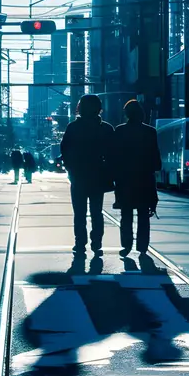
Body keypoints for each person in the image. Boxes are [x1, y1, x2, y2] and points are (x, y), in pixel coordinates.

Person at [60, 94, 115, 260]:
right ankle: (96, 242)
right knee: (97, 212)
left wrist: (71, 168)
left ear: (80, 108)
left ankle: (80, 242)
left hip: (78, 176)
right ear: (99, 109)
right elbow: (114, 153)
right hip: (98, 177)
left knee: (80, 212)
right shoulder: (106, 128)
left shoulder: (73, 127)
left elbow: (65, 150)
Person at [112, 100, 161, 258]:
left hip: (125, 180)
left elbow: (115, 156)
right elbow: (156, 158)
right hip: (145, 179)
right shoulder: (150, 132)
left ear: (126, 114)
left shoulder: (119, 131)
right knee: (144, 214)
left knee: (126, 214)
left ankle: (126, 245)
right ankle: (142, 246)